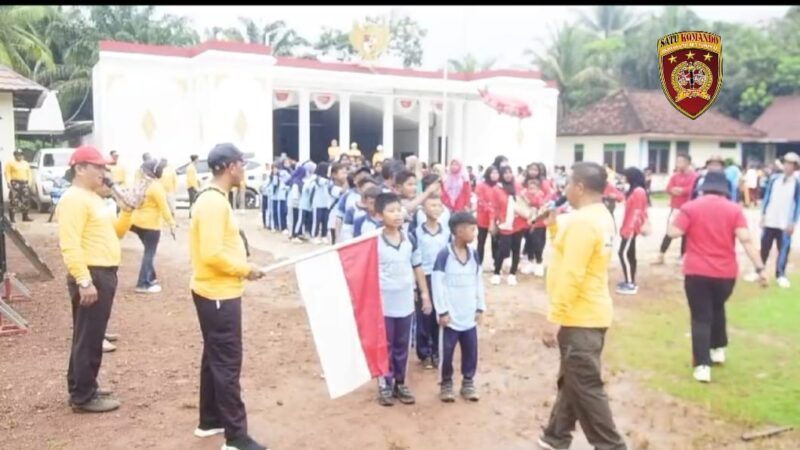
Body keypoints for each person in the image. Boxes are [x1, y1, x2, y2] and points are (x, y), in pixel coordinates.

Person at [539, 162, 627, 450]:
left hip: (580, 316)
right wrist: (553, 228)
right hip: (591, 312)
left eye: (567, 185)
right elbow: (569, 255)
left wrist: (556, 317)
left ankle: (611, 446)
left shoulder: (582, 222)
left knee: (585, 386)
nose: (563, 190)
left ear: (578, 187)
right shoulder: (600, 216)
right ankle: (556, 436)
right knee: (572, 379)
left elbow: (573, 273)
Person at [189, 143, 267, 450]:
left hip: (216, 291)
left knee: (214, 358)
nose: (244, 170)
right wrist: (244, 268)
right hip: (218, 293)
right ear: (231, 166)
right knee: (226, 364)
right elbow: (211, 253)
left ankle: (210, 421)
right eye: (242, 164)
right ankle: (236, 438)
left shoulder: (216, 200)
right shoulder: (213, 203)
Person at [666, 171, 767, 383]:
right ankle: (718, 348)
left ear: (703, 187)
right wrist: (760, 268)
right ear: (725, 189)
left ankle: (703, 365)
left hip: (697, 271)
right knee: (717, 307)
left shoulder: (691, 207)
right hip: (725, 274)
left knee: (701, 317)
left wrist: (684, 220)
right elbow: (745, 240)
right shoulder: (734, 210)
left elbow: (673, 232)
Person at [57, 145, 134, 413]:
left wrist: (127, 211)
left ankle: (82, 385)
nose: (104, 172)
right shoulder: (74, 199)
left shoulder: (93, 198)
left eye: (104, 167)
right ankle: (83, 395)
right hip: (93, 273)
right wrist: (84, 280)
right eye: (98, 167)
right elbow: (70, 243)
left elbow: (116, 233)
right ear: (79, 169)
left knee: (89, 334)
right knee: (89, 336)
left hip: (103, 272)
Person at [374, 192, 431, 407]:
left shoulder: (410, 239)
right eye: (391, 211)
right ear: (380, 215)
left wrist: (424, 294)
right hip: (383, 303)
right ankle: (384, 383)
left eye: (399, 210)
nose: (397, 215)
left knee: (402, 344)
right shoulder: (374, 241)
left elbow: (418, 267)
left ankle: (400, 382)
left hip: (405, 302)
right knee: (385, 344)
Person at [432, 212, 484, 403]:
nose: (475, 232)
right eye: (472, 229)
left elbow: (478, 280)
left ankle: (468, 381)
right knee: (447, 350)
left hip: (468, 312)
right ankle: (446, 383)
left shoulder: (474, 254)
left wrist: (480, 306)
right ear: (459, 231)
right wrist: (442, 311)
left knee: (471, 349)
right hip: (451, 315)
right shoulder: (445, 254)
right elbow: (438, 283)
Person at [743, 152, 800, 289]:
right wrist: (763, 214)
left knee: (783, 250)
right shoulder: (775, 179)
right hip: (770, 219)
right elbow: (768, 197)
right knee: (764, 248)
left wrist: (793, 222)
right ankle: (759, 271)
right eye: (785, 163)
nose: (787, 166)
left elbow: (797, 203)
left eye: (790, 164)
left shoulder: (797, 183)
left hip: (784, 223)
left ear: (795, 167)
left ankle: (781, 275)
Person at [413, 195, 451, 370]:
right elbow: (415, 259)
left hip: (441, 277)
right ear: (423, 209)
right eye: (432, 205)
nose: (436, 209)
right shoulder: (416, 233)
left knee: (440, 313)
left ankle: (437, 350)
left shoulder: (446, 232)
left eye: (439, 206)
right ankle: (424, 352)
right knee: (424, 314)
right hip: (424, 276)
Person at [130, 158, 176, 294]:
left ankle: (151, 277)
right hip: (150, 225)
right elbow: (164, 208)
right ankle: (143, 283)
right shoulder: (156, 187)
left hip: (136, 223)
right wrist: (172, 224)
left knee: (148, 251)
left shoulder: (141, 183)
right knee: (149, 253)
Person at [490, 166, 529, 286]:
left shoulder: (518, 187)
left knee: (516, 249)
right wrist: (492, 222)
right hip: (505, 223)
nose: (508, 175)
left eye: (509, 172)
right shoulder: (497, 189)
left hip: (518, 223)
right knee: (502, 249)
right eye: (505, 173)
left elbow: (525, 202)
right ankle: (497, 273)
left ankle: (512, 274)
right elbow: (494, 207)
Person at [655, 153, 696, 265]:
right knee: (669, 231)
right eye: (677, 162)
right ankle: (661, 255)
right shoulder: (675, 176)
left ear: (687, 163)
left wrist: (681, 190)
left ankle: (684, 255)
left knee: (686, 234)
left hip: (688, 209)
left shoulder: (694, 176)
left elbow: (692, 189)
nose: (678, 164)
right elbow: (668, 188)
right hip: (676, 208)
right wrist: (676, 190)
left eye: (680, 161)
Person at [617, 167, 649, 295]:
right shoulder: (635, 190)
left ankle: (630, 283)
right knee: (629, 254)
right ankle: (630, 279)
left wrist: (628, 229)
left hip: (631, 227)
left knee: (623, 253)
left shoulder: (638, 192)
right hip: (629, 226)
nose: (624, 178)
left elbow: (636, 212)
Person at [521, 177, 549, 277]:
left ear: (538, 189)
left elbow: (542, 210)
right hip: (527, 224)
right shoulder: (525, 196)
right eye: (530, 188)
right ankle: (530, 261)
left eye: (534, 188)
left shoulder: (540, 197)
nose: (531, 190)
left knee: (538, 244)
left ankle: (539, 262)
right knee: (529, 243)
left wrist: (535, 218)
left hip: (538, 224)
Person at [475, 166, 499, 266]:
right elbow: (480, 200)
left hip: (496, 218)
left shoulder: (500, 186)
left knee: (496, 242)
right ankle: (479, 263)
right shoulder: (481, 186)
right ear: (488, 174)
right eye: (492, 173)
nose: (494, 175)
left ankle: (496, 262)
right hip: (483, 217)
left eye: (496, 173)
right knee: (481, 241)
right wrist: (489, 208)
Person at [341, 177, 378, 242]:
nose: (370, 191)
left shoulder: (387, 216)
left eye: (372, 189)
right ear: (360, 190)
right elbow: (348, 233)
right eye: (367, 189)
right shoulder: (355, 214)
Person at [5, 149, 33, 222]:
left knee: (26, 200)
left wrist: (29, 183)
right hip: (15, 183)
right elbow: (7, 173)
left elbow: (29, 173)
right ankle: (12, 218)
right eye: (17, 155)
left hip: (24, 183)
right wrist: (8, 182)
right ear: (15, 155)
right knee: (14, 200)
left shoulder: (26, 163)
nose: (19, 156)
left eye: (20, 155)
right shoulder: (10, 163)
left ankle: (25, 216)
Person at [310, 162, 332, 244]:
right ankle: (314, 236)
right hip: (318, 203)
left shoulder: (328, 179)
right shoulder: (317, 178)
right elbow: (322, 182)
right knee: (317, 220)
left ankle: (324, 236)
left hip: (326, 203)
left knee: (325, 220)